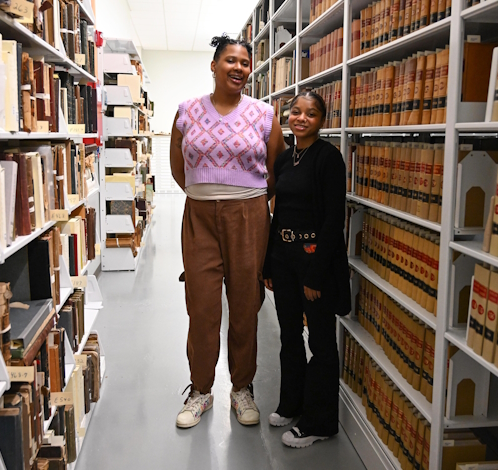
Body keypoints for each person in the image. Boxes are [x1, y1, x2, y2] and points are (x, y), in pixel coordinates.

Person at [170, 34, 286, 429]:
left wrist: (247, 201)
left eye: (245, 63)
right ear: (215, 65)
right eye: (231, 61)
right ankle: (201, 390)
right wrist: (207, 193)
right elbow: (177, 167)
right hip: (199, 217)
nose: (239, 68)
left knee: (244, 304)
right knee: (201, 306)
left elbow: (276, 171)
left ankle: (242, 388)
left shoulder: (263, 114)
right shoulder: (186, 110)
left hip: (248, 216)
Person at [262, 91, 351, 448]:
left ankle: (320, 422)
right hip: (284, 258)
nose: (301, 118)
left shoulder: (329, 158)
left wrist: (315, 275)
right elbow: (277, 213)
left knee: (321, 342)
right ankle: (291, 404)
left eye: (310, 114)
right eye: (295, 112)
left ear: (321, 120)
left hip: (315, 260)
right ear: (287, 116)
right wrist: (269, 262)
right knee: (288, 335)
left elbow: (333, 220)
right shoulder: (285, 160)